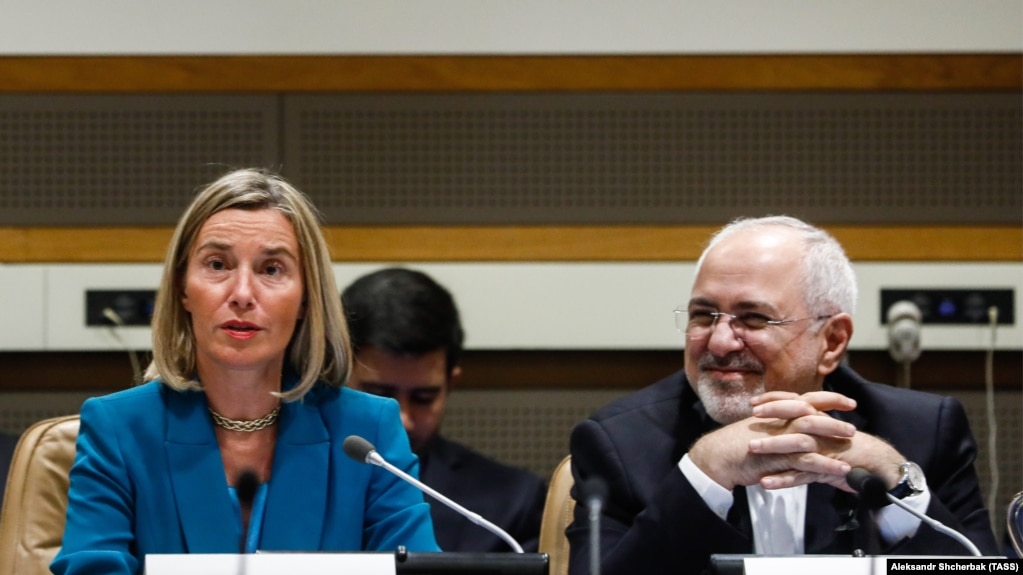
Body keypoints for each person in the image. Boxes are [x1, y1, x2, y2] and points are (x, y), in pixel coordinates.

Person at [52, 168, 439, 575]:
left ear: (306, 298)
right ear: (184, 288)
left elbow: (416, 568)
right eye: (217, 264)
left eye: (272, 269)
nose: (241, 294)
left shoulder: (366, 432)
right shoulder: (118, 428)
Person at [567, 215, 998, 575]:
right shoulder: (621, 443)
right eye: (704, 315)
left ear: (831, 341)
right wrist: (703, 475)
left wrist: (897, 486)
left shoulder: (923, 431)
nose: (719, 342)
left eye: (752, 319)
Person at [342, 267, 547, 553]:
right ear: (337, 376)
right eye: (379, 396)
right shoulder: (284, 476)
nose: (403, 419)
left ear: (451, 383)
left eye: (423, 397)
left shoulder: (513, 503)